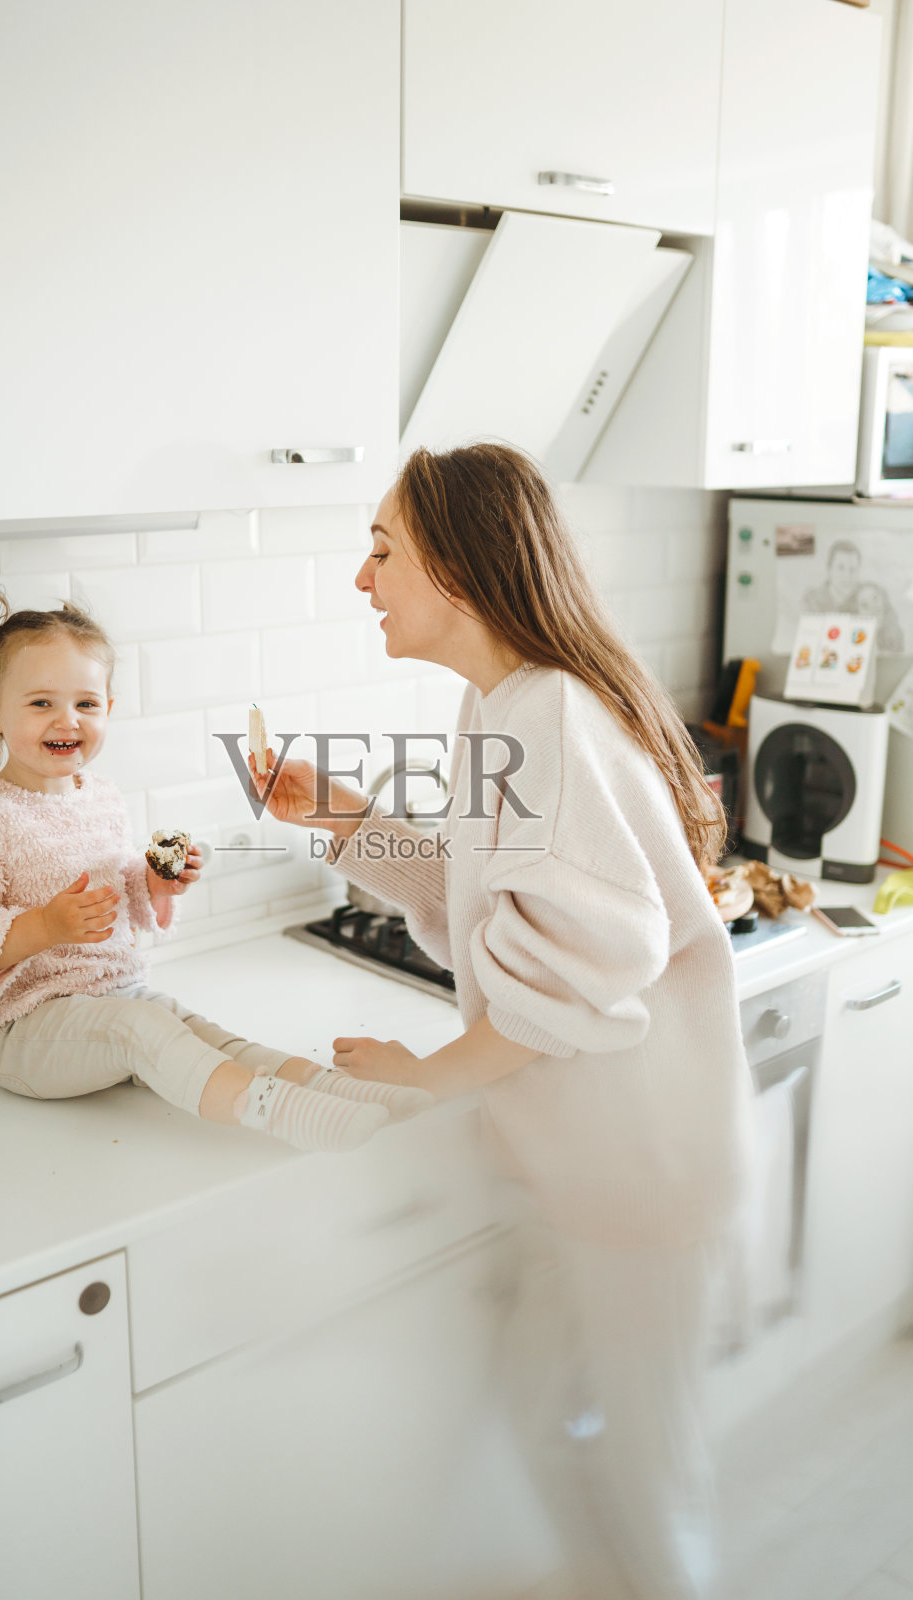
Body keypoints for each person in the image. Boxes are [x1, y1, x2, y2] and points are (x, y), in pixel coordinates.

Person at [251, 444, 755, 1600]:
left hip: (644, 1173)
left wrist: (416, 1078)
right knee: (548, 1422)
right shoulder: (506, 706)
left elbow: (565, 985)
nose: (362, 577)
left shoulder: (548, 721)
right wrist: (337, 818)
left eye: (381, 550)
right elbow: (491, 908)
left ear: (458, 570)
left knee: (639, 1480)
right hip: (594, 1167)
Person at [0, 585, 430, 1153]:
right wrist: (45, 928)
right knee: (143, 1029)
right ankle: (294, 1114)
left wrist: (152, 882)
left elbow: (118, 891)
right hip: (24, 1032)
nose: (68, 720)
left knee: (204, 1033)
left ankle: (355, 1096)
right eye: (41, 703)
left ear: (108, 710)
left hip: (117, 997)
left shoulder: (101, 796)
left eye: (86, 703)